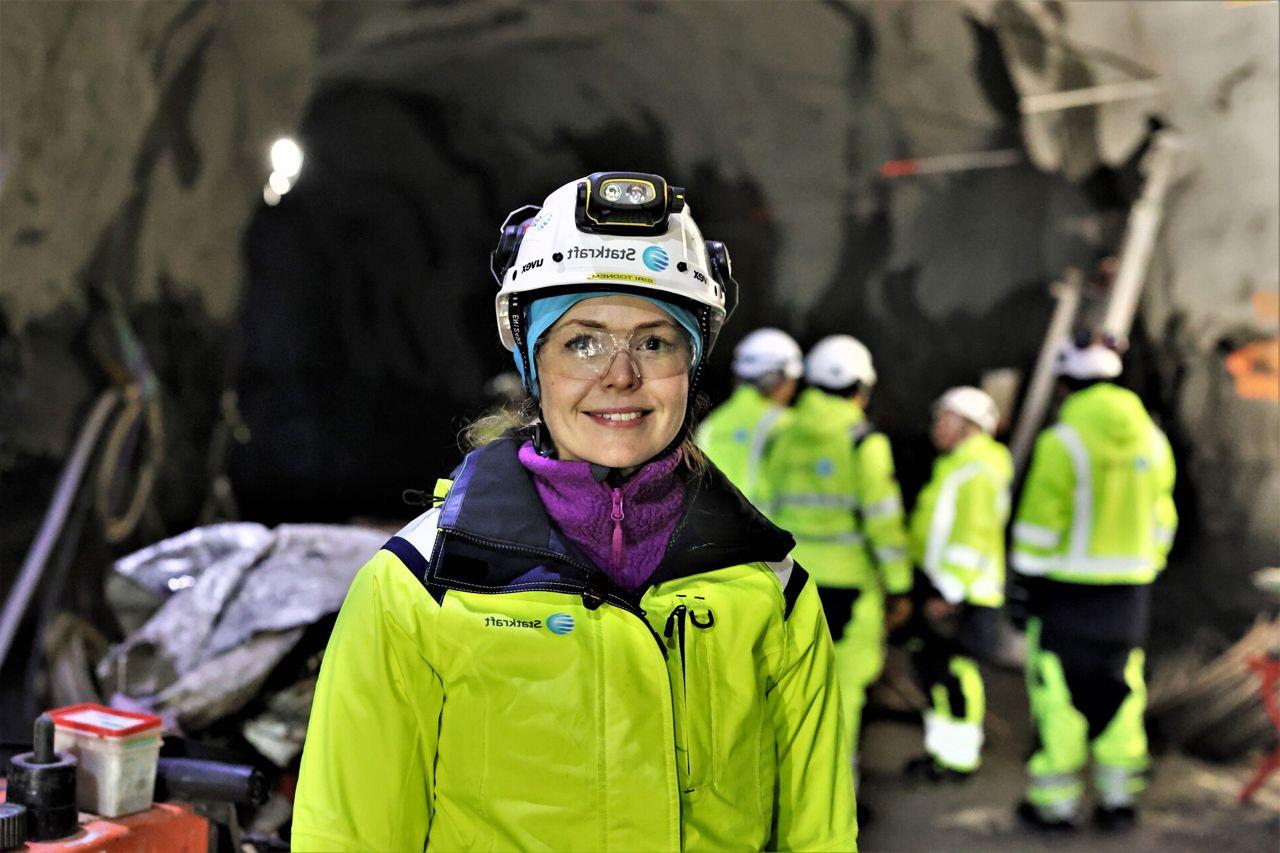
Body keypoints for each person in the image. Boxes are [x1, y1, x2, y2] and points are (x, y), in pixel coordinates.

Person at [292, 173, 856, 851]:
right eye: (581, 341)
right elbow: (349, 837)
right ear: (534, 364)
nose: (619, 376)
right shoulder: (420, 587)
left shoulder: (774, 591)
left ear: (694, 361)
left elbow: (819, 837)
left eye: (655, 341)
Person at [1010, 336, 1177, 832]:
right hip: (1129, 597)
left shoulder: (1062, 441)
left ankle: (1056, 808)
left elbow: (1039, 526)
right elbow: (1164, 516)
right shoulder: (1151, 438)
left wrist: (1025, 585)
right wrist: (1144, 564)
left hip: (1067, 596)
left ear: (1065, 385)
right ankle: (1119, 802)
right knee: (1120, 693)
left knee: (1060, 698)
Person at [763, 334, 913, 780]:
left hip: (789, 581)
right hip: (849, 588)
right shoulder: (863, 442)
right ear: (860, 389)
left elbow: (766, 506)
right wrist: (901, 587)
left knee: (790, 689)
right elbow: (883, 525)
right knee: (842, 693)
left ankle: (784, 797)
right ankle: (833, 804)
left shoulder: (783, 433)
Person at [903, 386, 1012, 781]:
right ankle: (943, 753)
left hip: (963, 593)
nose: (936, 426)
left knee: (955, 675)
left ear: (967, 425)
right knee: (935, 673)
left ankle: (959, 759)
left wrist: (949, 591)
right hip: (946, 587)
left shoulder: (978, 468)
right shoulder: (960, 464)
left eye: (943, 418)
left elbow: (973, 534)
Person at [695, 327, 803, 503]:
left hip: (716, 527)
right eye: (791, 382)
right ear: (774, 379)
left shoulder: (711, 425)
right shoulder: (787, 424)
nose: (792, 391)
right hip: (767, 526)